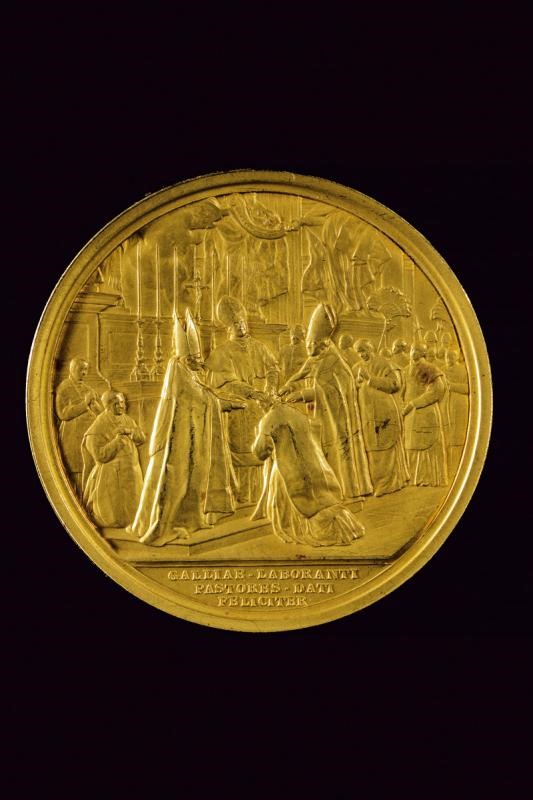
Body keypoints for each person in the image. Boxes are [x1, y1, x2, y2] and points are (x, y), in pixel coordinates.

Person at [131, 310, 244, 546]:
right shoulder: (179, 373)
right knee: (174, 480)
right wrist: (229, 404)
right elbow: (201, 399)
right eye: (194, 357)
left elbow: (204, 394)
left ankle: (191, 519)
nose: (199, 361)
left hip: (189, 436)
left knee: (192, 477)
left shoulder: (187, 372)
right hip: (176, 442)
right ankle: (163, 528)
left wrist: (223, 400)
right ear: (185, 357)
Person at [279, 303, 372, 500]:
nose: (308, 349)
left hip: (335, 421)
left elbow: (333, 392)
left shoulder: (334, 362)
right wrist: (288, 386)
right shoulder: (315, 357)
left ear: (322, 344)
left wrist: (304, 395)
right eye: (307, 345)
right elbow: (302, 374)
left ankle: (342, 489)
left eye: (311, 345)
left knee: (335, 452)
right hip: (317, 416)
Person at [252, 401, 364, 546]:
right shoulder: (299, 415)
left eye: (260, 404)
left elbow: (260, 452)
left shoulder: (268, 420)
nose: (260, 406)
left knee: (286, 503)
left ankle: (306, 528)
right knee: (322, 501)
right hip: (313, 467)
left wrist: (258, 445)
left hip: (286, 469)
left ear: (265, 403)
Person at [206, 295, 280, 505]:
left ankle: (264, 493)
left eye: (243, 322)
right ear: (229, 327)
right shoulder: (222, 352)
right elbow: (225, 382)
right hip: (239, 409)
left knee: (264, 447)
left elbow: (272, 368)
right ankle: (242, 495)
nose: (241, 326)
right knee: (241, 449)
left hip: (261, 406)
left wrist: (270, 388)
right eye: (236, 323)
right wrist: (252, 393)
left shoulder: (258, 346)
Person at [354, 339, 409, 495]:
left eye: (364, 350)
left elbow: (395, 384)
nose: (362, 354)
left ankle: (388, 484)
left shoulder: (385, 363)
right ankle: (377, 484)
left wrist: (371, 379)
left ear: (371, 348)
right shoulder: (357, 367)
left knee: (386, 445)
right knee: (372, 448)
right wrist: (357, 383)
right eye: (359, 352)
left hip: (384, 412)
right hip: (366, 413)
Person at [82, 392, 145, 528]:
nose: (121, 406)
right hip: (111, 475)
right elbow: (99, 456)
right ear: (108, 406)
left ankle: (133, 522)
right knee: (114, 513)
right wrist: (116, 442)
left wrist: (129, 431)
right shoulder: (98, 426)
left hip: (132, 471)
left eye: (122, 402)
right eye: (117, 403)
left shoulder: (127, 419)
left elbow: (141, 438)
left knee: (133, 505)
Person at [402, 343, 448, 487]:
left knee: (429, 444)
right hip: (409, 414)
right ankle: (414, 479)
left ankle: (432, 479)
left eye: (417, 350)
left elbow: (438, 390)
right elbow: (403, 389)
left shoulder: (430, 369)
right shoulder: (406, 369)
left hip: (426, 412)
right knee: (412, 445)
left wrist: (414, 403)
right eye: (412, 350)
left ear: (423, 353)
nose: (413, 353)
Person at [55, 357, 103, 494]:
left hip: (87, 436)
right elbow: (63, 414)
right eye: (81, 369)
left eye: (86, 369)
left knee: (88, 469)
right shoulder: (63, 388)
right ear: (72, 369)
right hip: (72, 437)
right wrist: (85, 404)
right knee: (74, 471)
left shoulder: (88, 389)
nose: (84, 373)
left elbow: (99, 413)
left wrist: (97, 407)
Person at [444, 349, 469, 475]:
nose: (448, 359)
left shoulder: (463, 371)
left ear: (456, 357)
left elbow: (468, 388)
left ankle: (458, 468)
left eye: (451, 356)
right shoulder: (442, 370)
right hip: (445, 406)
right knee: (447, 437)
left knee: (458, 437)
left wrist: (452, 386)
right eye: (447, 356)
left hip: (459, 405)